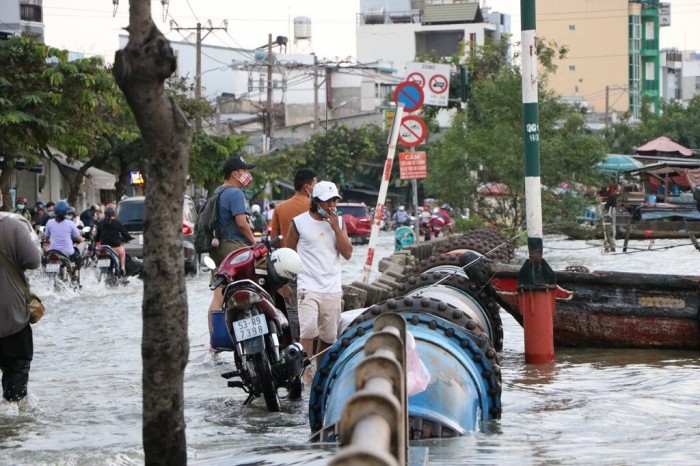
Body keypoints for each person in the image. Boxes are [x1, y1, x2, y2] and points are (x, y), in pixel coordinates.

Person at [286, 181, 352, 370]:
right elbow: (287, 254)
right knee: (307, 331)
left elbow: (347, 253)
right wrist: (284, 284)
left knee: (329, 337)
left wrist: (336, 229)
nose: (331, 205)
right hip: (308, 286)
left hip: (332, 288)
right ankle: (304, 374)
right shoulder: (299, 222)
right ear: (315, 201)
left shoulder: (339, 222)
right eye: (327, 201)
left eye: (334, 201)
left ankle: (319, 376)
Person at [0, 190, 42, 403]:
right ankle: (13, 414)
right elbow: (34, 262)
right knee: (16, 369)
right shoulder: (14, 225)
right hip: (12, 318)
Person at [207, 156, 258, 332]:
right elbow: (242, 223)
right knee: (253, 283)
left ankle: (215, 339)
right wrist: (254, 243)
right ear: (235, 174)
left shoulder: (218, 191)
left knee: (219, 292)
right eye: (245, 171)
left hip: (217, 248)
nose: (248, 174)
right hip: (234, 247)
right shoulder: (236, 193)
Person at [269, 168, 317, 341]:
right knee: (314, 309)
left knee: (293, 310)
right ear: (307, 188)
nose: (316, 188)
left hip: (287, 267)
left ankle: (297, 347)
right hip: (313, 266)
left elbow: (273, 241)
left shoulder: (280, 208)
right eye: (315, 185)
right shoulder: (316, 208)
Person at [43, 200, 84, 281]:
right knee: (79, 258)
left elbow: (46, 236)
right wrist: (81, 240)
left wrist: (47, 240)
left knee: (44, 260)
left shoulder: (49, 222)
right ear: (66, 211)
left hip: (53, 251)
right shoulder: (70, 223)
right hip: (68, 252)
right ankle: (76, 276)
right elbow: (78, 238)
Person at [94, 204, 134, 276]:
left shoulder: (100, 223)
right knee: (122, 254)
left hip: (104, 248)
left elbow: (97, 237)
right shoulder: (117, 223)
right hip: (116, 247)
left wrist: (97, 241)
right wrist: (129, 238)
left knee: (98, 257)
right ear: (114, 214)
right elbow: (125, 234)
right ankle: (122, 268)